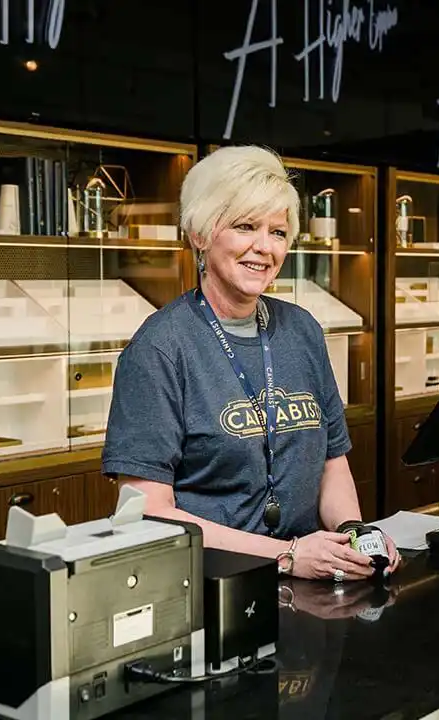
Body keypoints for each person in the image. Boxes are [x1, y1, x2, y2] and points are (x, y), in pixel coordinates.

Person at [102, 145, 399, 582]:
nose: (264, 248)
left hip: (309, 582)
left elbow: (332, 463)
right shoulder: (160, 349)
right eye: (245, 227)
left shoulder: (303, 331)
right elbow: (149, 514)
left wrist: (354, 538)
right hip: (213, 588)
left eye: (277, 232)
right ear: (200, 234)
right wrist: (287, 555)